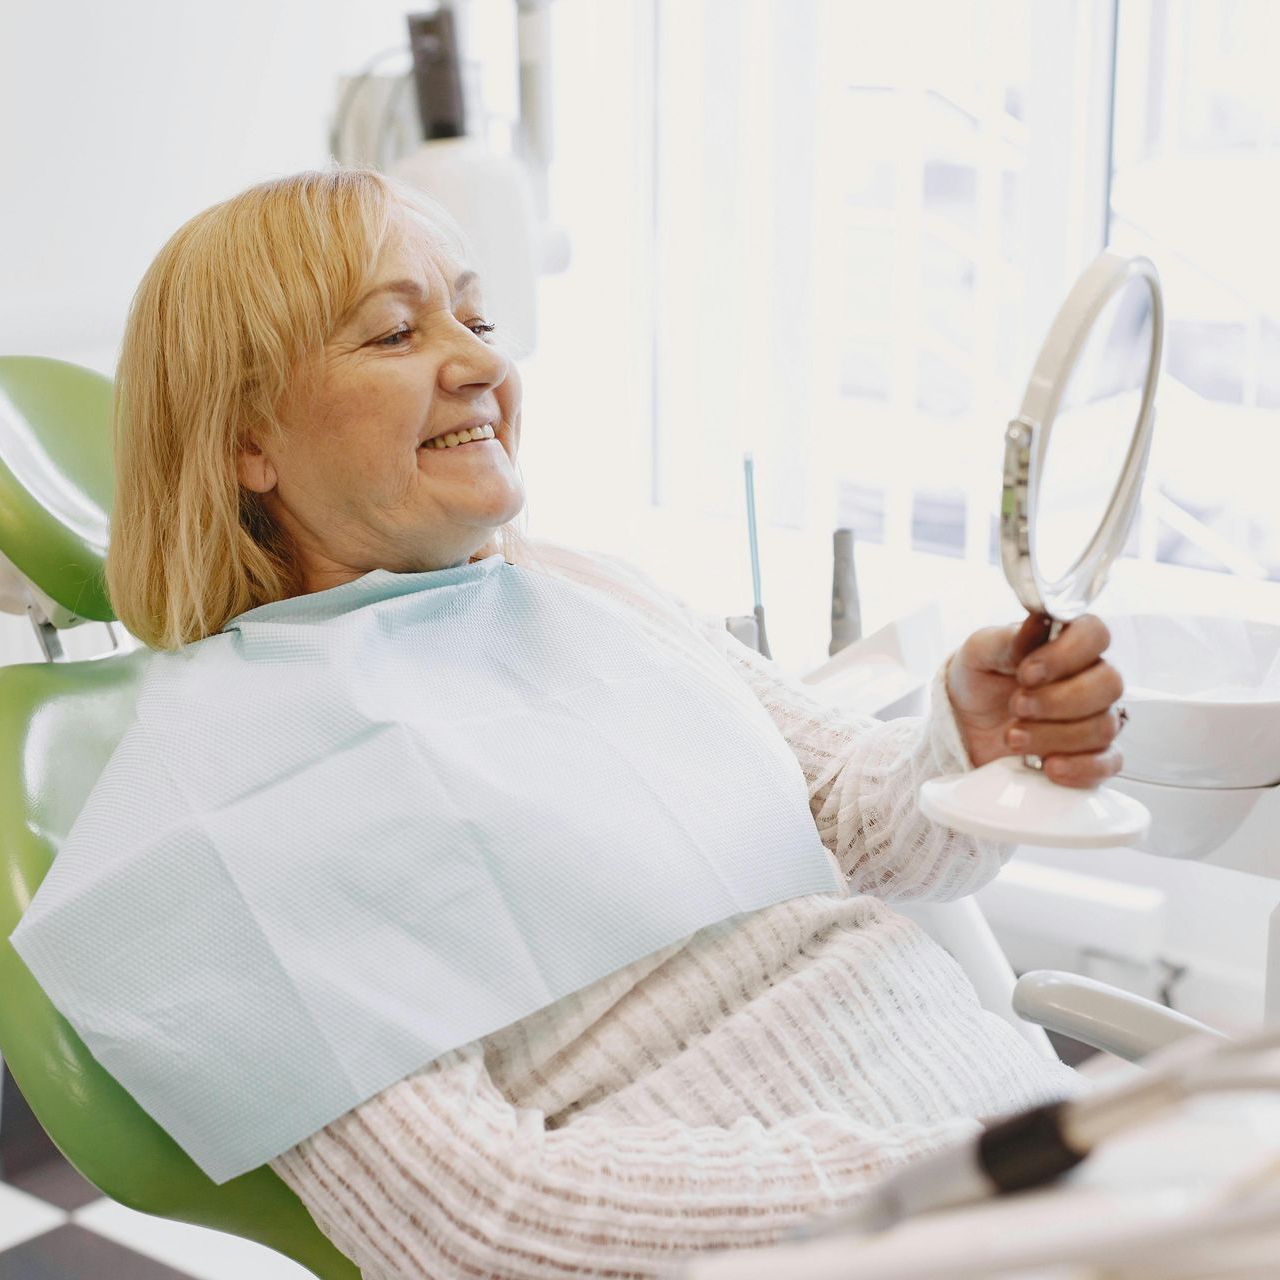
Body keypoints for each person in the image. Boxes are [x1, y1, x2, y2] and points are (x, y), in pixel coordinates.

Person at [105, 169, 1125, 1279]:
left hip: (1024, 1160)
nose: (486, 363)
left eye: (478, 318)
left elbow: (859, 827)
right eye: (396, 331)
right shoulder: (221, 791)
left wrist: (963, 744)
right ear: (248, 438)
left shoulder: (584, 590)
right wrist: (937, 1176)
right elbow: (479, 1228)